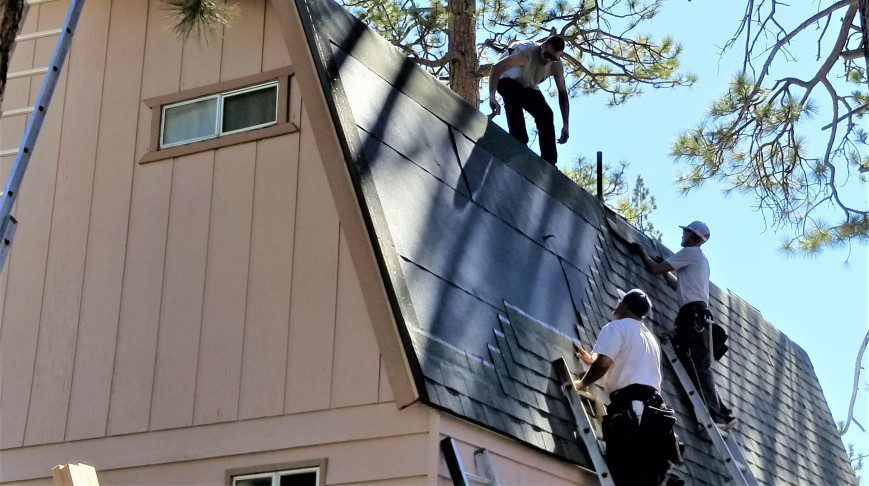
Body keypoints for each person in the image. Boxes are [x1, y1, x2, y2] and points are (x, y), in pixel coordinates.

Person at [631, 221, 737, 430]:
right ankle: (724, 413)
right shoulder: (701, 260)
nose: (683, 235)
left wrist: (643, 253)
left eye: (686, 232)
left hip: (691, 316)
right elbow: (677, 285)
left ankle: (714, 416)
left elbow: (654, 269)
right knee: (700, 367)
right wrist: (667, 272)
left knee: (694, 364)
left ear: (694, 237)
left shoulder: (690, 253)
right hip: (700, 316)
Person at [574, 289, 680, 486]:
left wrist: (582, 383)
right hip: (654, 414)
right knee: (646, 476)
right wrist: (593, 360)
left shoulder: (617, 327)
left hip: (632, 411)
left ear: (624, 305)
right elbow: (629, 364)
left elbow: (605, 363)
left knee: (625, 473)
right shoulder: (649, 338)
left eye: (620, 301)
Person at [487, 35, 570, 165]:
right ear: (542, 46)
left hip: (528, 86)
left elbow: (563, 92)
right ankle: (519, 141)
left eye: (553, 58)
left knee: (546, 114)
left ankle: (549, 162)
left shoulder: (556, 65)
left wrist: (566, 125)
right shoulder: (526, 52)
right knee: (513, 94)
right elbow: (496, 68)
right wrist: (492, 96)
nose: (548, 60)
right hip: (506, 80)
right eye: (547, 55)